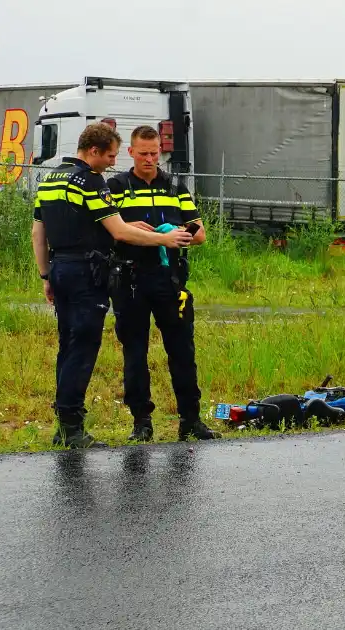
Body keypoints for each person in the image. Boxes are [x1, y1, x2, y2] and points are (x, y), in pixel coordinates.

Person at [31, 123, 194, 448]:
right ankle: (73, 429)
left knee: (67, 345)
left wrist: (46, 275)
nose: (111, 162)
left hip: (60, 268)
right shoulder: (90, 181)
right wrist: (162, 238)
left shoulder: (49, 180)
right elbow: (118, 232)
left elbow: (39, 233)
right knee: (83, 347)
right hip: (87, 273)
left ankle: (63, 426)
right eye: (109, 155)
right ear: (93, 151)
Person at [106, 125, 221, 442]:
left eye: (154, 153)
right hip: (130, 280)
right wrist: (137, 231)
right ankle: (141, 422)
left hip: (169, 280)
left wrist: (178, 234)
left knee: (182, 350)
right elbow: (106, 231)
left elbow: (199, 234)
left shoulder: (174, 187)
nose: (149, 159)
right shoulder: (115, 186)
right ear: (131, 153)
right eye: (143, 153)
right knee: (135, 352)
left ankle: (190, 419)